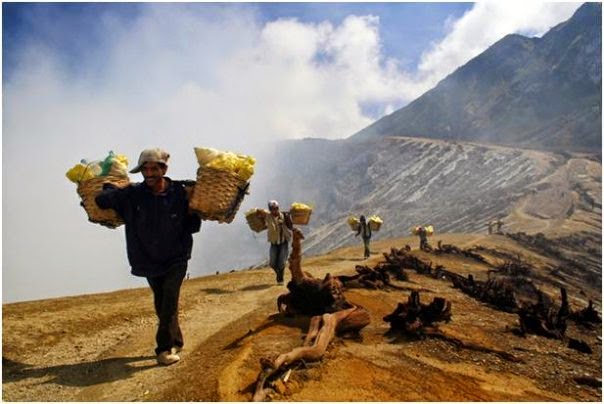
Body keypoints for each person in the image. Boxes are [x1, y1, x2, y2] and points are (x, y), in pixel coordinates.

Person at [95, 148, 201, 366]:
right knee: (162, 300)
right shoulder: (133, 193)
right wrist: (112, 188)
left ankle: (163, 349)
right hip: (147, 256)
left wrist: (191, 210)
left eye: (154, 168)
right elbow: (102, 200)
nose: (150, 173)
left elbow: (192, 226)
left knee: (169, 298)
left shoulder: (180, 192)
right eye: (145, 169)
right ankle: (176, 339)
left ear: (164, 169)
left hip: (177, 255)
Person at [263, 200, 292, 284]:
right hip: (274, 243)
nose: (275, 210)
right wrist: (277, 223)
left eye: (276, 208)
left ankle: (280, 279)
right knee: (272, 263)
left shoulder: (284, 215)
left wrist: (287, 218)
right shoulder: (268, 217)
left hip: (283, 242)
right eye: (273, 209)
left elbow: (290, 226)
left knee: (282, 262)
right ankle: (279, 274)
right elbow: (272, 228)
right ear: (270, 209)